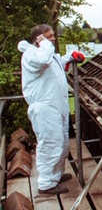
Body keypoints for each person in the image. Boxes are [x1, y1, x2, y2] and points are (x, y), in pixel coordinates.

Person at [17, 24, 85, 194]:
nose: (53, 39)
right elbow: (43, 61)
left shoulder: (45, 53)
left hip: (56, 105)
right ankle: (46, 183)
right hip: (45, 108)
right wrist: (45, 44)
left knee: (61, 143)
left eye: (53, 35)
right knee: (50, 145)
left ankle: (56, 175)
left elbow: (55, 62)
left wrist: (69, 57)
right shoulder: (31, 55)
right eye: (49, 36)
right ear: (38, 40)